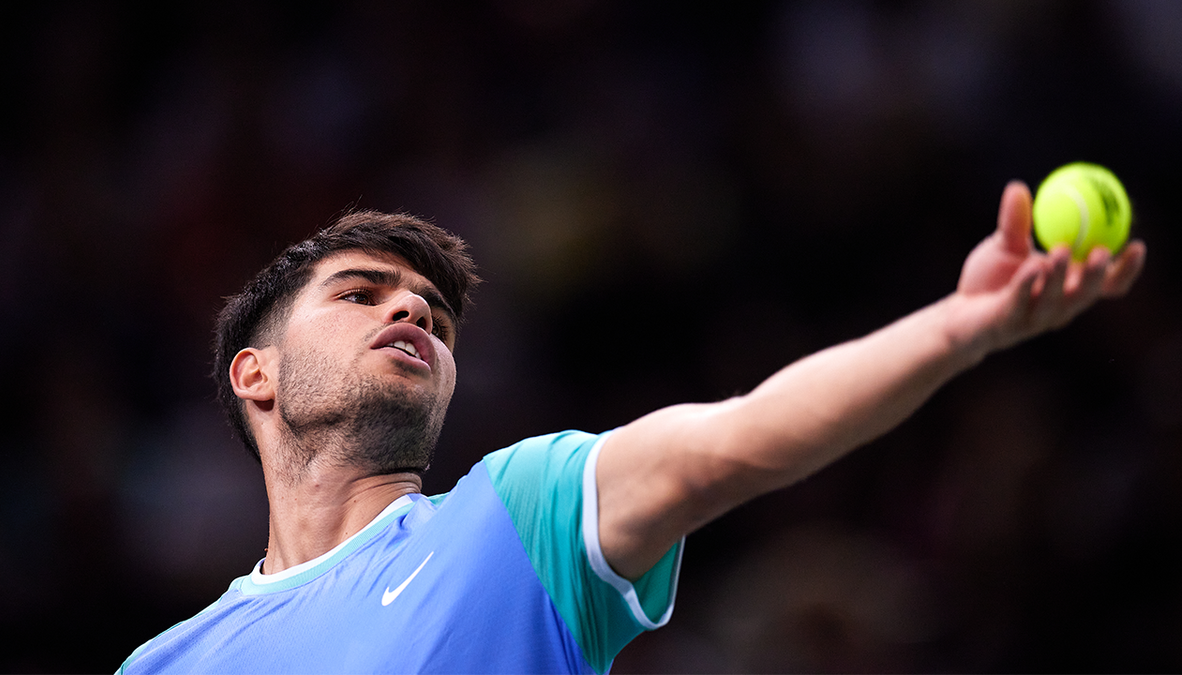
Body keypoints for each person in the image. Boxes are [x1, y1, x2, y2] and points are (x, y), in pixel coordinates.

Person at [118, 182, 1145, 674]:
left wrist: (962, 328)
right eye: (360, 292)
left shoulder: (516, 516)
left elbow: (748, 434)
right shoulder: (166, 664)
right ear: (257, 375)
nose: (411, 312)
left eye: (430, 310)